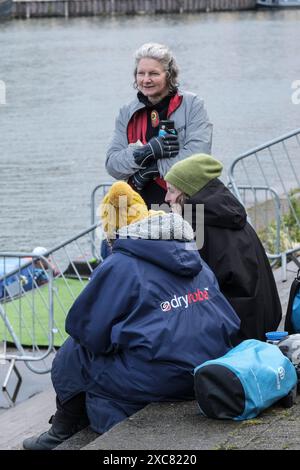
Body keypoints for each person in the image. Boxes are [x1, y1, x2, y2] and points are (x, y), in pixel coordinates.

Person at [23, 181, 240, 450]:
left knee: (72, 353)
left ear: (112, 230)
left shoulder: (120, 264)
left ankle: (62, 428)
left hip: (166, 377)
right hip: (212, 362)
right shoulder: (190, 251)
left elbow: (84, 328)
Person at [164, 153, 282, 341]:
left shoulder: (197, 226)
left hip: (235, 333)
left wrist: (178, 227)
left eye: (171, 190)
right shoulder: (229, 213)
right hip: (263, 320)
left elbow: (186, 281)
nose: (166, 197)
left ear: (187, 192)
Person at [105, 43, 212, 208]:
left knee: (192, 234)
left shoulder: (192, 104)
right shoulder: (126, 112)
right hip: (139, 207)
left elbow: (198, 156)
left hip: (187, 203)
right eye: (141, 73)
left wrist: (152, 170)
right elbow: (113, 165)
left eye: (154, 73)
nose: (146, 80)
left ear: (169, 75)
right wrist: (144, 153)